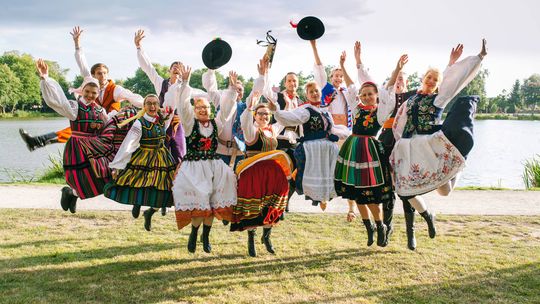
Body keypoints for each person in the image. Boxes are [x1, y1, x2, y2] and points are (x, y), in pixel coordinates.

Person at [390, 39, 488, 248]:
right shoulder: (411, 99)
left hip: (432, 147)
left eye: (435, 79)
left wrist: (476, 59)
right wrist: (398, 142)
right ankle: (424, 219)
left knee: (444, 192)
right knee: (406, 190)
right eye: (429, 77)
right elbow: (399, 121)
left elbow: (454, 81)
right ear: (423, 78)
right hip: (410, 147)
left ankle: (458, 165)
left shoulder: (439, 99)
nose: (431, 81)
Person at [20, 26, 143, 151]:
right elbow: (82, 64)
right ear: (93, 75)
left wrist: (149, 105)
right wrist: (77, 44)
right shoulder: (90, 83)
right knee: (75, 130)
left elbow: (133, 97)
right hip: (90, 122)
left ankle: (37, 142)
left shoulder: (115, 89)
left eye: (105, 73)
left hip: (109, 122)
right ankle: (37, 142)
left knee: (75, 131)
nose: (103, 76)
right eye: (99, 73)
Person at [335, 51, 407, 247]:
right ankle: (369, 228)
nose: (366, 97)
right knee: (357, 193)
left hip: (370, 152)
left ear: (376, 96)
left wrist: (398, 69)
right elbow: (350, 87)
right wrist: (343, 66)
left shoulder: (381, 112)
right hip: (352, 150)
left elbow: (389, 87)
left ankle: (380, 225)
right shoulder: (357, 109)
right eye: (364, 94)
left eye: (370, 94)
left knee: (370, 193)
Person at [165, 65, 239, 254]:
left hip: (214, 167)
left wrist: (231, 90)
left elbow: (227, 109)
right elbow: (182, 107)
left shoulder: (216, 123)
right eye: (199, 108)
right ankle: (194, 233)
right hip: (194, 169)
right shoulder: (190, 125)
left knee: (212, 204)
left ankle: (206, 236)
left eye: (206, 107)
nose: (203, 110)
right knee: (200, 204)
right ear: (195, 110)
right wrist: (186, 84)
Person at [354, 40, 417, 247]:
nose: (398, 81)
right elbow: (369, 84)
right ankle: (386, 227)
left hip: (404, 145)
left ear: (406, 83)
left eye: (401, 79)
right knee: (386, 190)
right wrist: (358, 61)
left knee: (406, 189)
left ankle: (411, 233)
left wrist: (399, 68)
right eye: (396, 78)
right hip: (383, 144)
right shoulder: (382, 99)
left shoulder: (411, 97)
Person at [36, 58, 115, 213]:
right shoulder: (75, 106)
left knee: (103, 180)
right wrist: (46, 78)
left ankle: (71, 194)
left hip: (95, 147)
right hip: (78, 147)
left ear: (98, 93)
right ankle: (71, 193)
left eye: (94, 93)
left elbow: (109, 125)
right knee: (84, 181)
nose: (90, 95)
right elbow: (57, 100)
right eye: (87, 92)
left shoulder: (101, 110)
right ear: (82, 91)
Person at [231, 88, 292, 257]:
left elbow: (283, 119)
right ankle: (251, 239)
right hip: (254, 172)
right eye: (260, 114)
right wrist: (251, 105)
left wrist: (283, 106)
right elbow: (244, 120)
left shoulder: (273, 129)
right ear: (255, 115)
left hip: (273, 173)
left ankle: (267, 237)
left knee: (272, 205)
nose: (264, 117)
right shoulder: (251, 130)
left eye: (266, 114)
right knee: (254, 207)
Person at [272, 81, 350, 211]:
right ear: (307, 95)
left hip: (326, 150)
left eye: (316, 91)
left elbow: (332, 129)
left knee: (325, 176)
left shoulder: (325, 111)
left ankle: (321, 198)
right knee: (299, 176)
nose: (314, 93)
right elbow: (290, 117)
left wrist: (346, 133)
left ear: (320, 93)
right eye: (311, 92)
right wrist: (277, 111)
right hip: (311, 150)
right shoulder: (306, 110)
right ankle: (283, 202)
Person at [104, 94, 176, 231]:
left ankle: (149, 212)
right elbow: (128, 144)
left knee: (165, 191)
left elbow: (173, 103)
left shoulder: (162, 120)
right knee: (137, 182)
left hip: (162, 157)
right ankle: (137, 203)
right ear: (144, 106)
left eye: (155, 103)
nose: (152, 106)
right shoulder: (139, 123)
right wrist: (117, 166)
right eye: (149, 103)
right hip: (144, 156)